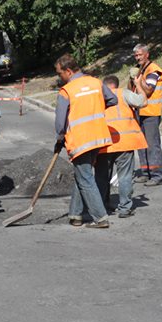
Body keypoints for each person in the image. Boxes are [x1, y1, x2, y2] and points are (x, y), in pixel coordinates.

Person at [55, 54, 117, 229]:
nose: (60, 77)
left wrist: (60, 138)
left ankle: (100, 217)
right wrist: (94, 106)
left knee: (86, 178)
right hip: (98, 137)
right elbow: (113, 99)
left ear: (68, 71)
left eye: (60, 73)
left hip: (80, 140)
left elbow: (60, 124)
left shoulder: (67, 91)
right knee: (82, 175)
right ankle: (75, 214)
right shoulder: (95, 82)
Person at [96, 75, 148, 218]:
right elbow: (143, 102)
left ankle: (101, 207)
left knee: (101, 176)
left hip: (104, 144)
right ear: (117, 85)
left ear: (104, 86)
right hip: (125, 142)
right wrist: (139, 85)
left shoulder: (98, 96)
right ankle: (125, 208)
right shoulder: (123, 93)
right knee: (125, 176)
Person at [129, 43, 162, 187]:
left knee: (152, 144)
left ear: (147, 54)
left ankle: (157, 175)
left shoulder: (153, 70)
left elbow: (149, 90)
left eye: (140, 55)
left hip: (151, 112)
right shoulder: (141, 69)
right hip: (140, 110)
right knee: (141, 143)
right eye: (136, 55)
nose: (137, 58)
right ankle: (146, 173)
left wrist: (138, 80)